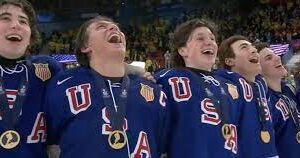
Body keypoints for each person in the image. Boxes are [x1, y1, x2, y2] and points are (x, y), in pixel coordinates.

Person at [44, 16, 169, 158]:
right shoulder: (63, 84)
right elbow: (51, 141)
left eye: (117, 27)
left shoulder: (153, 90)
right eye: (101, 27)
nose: (114, 28)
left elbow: (161, 146)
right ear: (85, 46)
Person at [154, 18, 238, 157]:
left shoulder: (228, 85)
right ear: (183, 50)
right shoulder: (165, 79)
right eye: (200, 38)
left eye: (212, 38)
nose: (209, 42)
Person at [0, 0, 63, 157]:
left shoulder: (47, 68)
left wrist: (131, 70)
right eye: (5, 18)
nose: (16, 25)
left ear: (30, 37)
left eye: (23, 21)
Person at [216, 35, 278, 157]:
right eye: (244, 47)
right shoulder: (225, 86)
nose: (254, 50)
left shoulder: (260, 84)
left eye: (253, 47)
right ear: (229, 61)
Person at [254, 42, 300, 158]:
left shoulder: (289, 89)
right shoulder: (263, 100)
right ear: (258, 69)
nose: (278, 57)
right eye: (269, 58)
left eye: (275, 54)